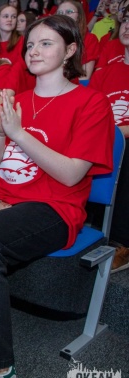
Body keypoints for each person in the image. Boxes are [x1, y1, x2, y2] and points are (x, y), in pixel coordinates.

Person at [0, 15, 114, 378]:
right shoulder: (19, 101)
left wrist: (19, 133)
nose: (34, 51)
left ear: (70, 50)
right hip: (2, 196)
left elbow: (72, 175)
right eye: (30, 45)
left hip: (54, 207)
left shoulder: (91, 102)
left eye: (46, 43)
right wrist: (0, 132)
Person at [89, 8, 129, 271]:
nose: (127, 25)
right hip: (106, 136)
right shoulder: (105, 72)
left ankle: (122, 241)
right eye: (126, 20)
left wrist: (116, 133)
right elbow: (89, 111)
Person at [57, 0, 99, 79]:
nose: (63, 15)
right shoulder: (50, 38)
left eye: (69, 12)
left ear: (79, 16)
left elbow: (84, 77)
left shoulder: (89, 39)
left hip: (75, 84)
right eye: (60, 13)